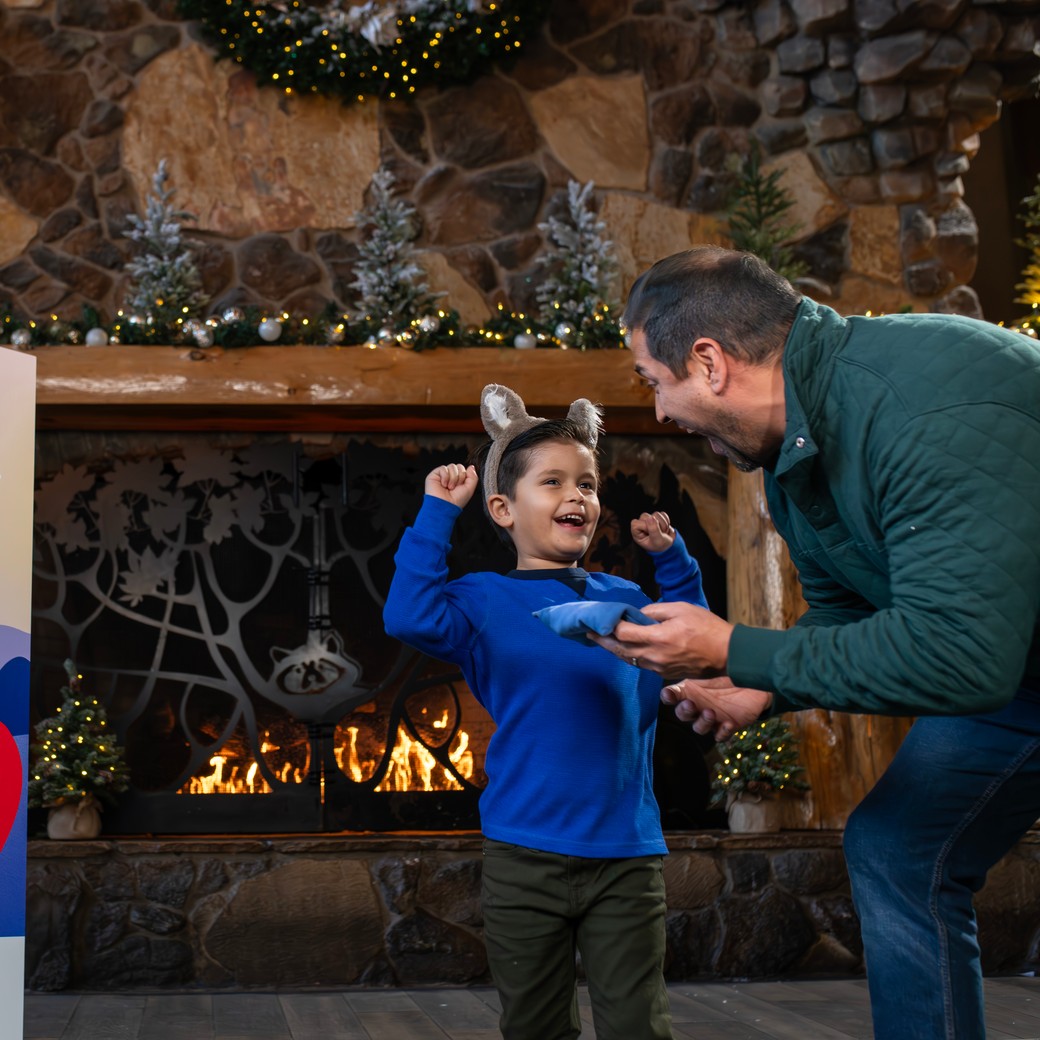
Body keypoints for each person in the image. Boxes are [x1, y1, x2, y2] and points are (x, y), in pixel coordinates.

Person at [592, 245, 1040, 1040]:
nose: (658, 414)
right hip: (1017, 657)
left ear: (710, 364)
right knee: (899, 849)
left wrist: (734, 650)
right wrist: (765, 686)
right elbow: (844, 606)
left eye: (654, 383)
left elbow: (959, 656)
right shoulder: (790, 449)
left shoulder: (919, 410)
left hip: (992, 652)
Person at [383, 383, 709, 1040]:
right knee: (535, 1026)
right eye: (553, 481)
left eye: (587, 483)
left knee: (638, 1026)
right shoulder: (480, 600)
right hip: (523, 853)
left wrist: (673, 564)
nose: (576, 495)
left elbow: (693, 642)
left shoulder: (625, 594)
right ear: (503, 509)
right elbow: (407, 615)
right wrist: (437, 513)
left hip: (625, 854)